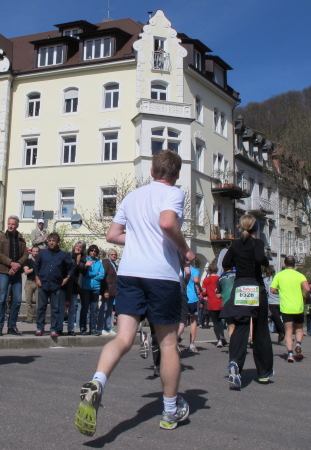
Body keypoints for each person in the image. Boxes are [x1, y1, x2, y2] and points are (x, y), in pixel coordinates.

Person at [75, 150, 194, 436]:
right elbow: (167, 222)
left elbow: (112, 235)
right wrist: (185, 249)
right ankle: (169, 410)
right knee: (168, 344)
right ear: (176, 174)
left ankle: (98, 382)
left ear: (151, 172)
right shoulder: (174, 193)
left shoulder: (132, 197)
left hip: (130, 274)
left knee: (123, 338)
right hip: (161, 276)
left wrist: (140, 238)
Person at [220, 214, 272, 389]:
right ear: (255, 227)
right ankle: (263, 372)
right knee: (260, 329)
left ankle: (235, 362)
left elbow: (226, 263)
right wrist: (266, 262)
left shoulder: (235, 244)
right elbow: (259, 258)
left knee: (241, 326)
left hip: (241, 287)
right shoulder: (257, 243)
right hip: (256, 286)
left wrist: (237, 263)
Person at [270, 256, 310, 363]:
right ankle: (298, 344)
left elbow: (272, 290)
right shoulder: (299, 275)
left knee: (288, 331)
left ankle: (290, 354)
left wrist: (279, 291)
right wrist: (305, 295)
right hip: (298, 307)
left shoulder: (279, 275)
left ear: (284, 264)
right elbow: (307, 288)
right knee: (299, 328)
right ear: (295, 264)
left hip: (286, 307)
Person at [33, 232, 74, 337]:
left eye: (53, 241)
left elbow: (72, 266)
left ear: (58, 243)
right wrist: (37, 278)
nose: (51, 243)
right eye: (50, 241)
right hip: (43, 283)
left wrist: (67, 278)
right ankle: (40, 328)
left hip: (56, 285)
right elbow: (36, 265)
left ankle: (53, 329)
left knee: (55, 309)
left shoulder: (63, 255)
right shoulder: (42, 253)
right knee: (41, 307)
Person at [0, 215, 28, 336]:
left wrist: (17, 265)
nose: (10, 226)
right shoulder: (0, 237)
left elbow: (25, 254)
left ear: (17, 225)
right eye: (9, 224)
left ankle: (12, 326)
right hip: (4, 271)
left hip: (16, 273)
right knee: (2, 299)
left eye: (13, 224)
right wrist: (11, 263)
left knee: (17, 300)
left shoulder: (21, 239)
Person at [80, 244, 105, 336]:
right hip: (86, 287)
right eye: (92, 251)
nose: (93, 252)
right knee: (85, 308)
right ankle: (83, 328)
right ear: (89, 251)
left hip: (96, 288)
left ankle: (93, 329)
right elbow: (85, 273)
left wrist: (93, 275)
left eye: (95, 251)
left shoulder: (99, 262)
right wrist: (95, 273)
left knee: (94, 310)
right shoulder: (85, 260)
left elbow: (102, 275)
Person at [66, 241, 86, 335]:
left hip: (76, 286)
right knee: (61, 308)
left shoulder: (83, 259)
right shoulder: (68, 255)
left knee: (72, 309)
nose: (78, 248)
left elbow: (82, 271)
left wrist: (79, 262)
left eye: (80, 247)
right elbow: (69, 268)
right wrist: (76, 262)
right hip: (66, 284)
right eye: (77, 246)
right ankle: (58, 328)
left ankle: (70, 329)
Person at [202, 263, 225, 347]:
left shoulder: (206, 280)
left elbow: (204, 293)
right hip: (221, 302)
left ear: (209, 270)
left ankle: (219, 340)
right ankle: (222, 336)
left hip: (211, 302)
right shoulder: (220, 279)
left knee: (215, 322)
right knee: (220, 321)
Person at [98, 248, 118, 335]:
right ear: (109, 255)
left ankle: (108, 327)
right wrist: (105, 291)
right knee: (104, 309)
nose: (114, 256)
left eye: (115, 255)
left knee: (109, 309)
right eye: (112, 254)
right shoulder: (106, 263)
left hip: (113, 290)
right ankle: (100, 328)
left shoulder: (114, 264)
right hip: (107, 289)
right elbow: (103, 277)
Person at [264, 266, 284, 343]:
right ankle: (280, 333)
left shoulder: (265, 280)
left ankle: (284, 332)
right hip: (280, 301)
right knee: (275, 318)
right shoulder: (278, 279)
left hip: (271, 302)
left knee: (276, 319)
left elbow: (265, 291)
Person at [185, 259, 201, 353]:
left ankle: (175, 342)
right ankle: (191, 344)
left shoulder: (179, 269)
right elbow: (196, 280)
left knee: (180, 321)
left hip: (181, 296)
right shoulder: (194, 270)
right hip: (192, 298)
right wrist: (200, 287)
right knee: (193, 321)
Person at [216, 264, 236, 340]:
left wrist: (224, 293)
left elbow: (218, 295)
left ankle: (232, 345)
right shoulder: (238, 276)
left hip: (227, 304)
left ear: (223, 268)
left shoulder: (220, 279)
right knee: (240, 326)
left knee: (230, 326)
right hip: (239, 303)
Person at [23, 246, 40, 324]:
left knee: (39, 302)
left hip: (38, 282)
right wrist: (35, 268)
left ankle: (39, 318)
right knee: (28, 301)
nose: (35, 253)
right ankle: (29, 318)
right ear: (31, 252)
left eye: (37, 251)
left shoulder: (41, 261)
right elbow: (26, 271)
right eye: (34, 251)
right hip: (29, 282)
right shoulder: (28, 261)